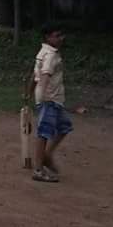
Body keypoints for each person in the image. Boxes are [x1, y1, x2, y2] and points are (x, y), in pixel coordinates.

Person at [25, 25, 71, 183]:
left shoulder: (43, 52)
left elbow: (34, 74)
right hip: (49, 99)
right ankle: (38, 169)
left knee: (65, 126)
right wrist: (43, 97)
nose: (60, 38)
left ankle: (47, 156)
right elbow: (44, 76)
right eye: (57, 35)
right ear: (47, 37)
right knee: (44, 133)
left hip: (54, 99)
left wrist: (28, 93)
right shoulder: (50, 55)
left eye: (61, 35)